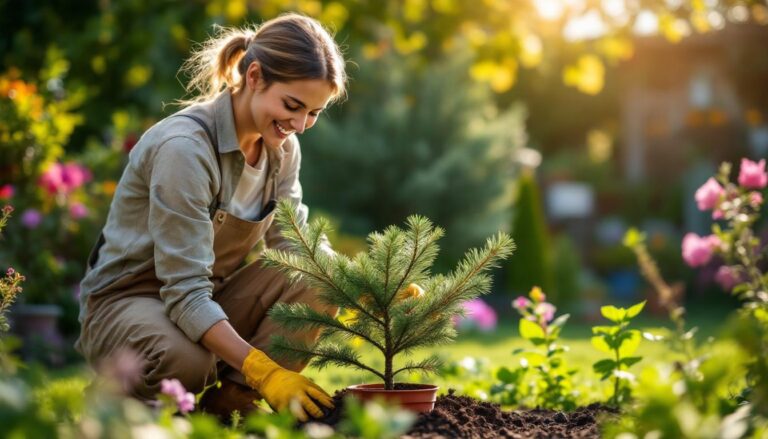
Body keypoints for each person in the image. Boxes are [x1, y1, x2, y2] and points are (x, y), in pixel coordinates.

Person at [75, 13, 347, 421]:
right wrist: (264, 370)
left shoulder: (282, 148)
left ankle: (228, 408)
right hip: (128, 303)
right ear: (254, 76)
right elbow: (184, 290)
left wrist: (354, 282)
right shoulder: (184, 149)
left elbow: (296, 243)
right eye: (292, 105)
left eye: (314, 112)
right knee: (188, 361)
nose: (300, 125)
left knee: (318, 278)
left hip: (205, 296)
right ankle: (115, 403)